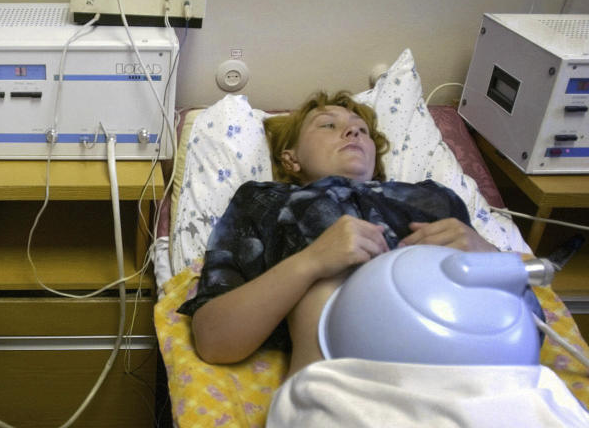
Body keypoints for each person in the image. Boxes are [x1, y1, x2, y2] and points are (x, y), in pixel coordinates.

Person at [178, 91, 499, 378]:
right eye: (327, 125)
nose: (353, 131)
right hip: (345, 397)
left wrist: (486, 255)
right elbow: (213, 340)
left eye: (362, 129)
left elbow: (529, 326)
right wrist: (312, 262)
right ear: (291, 158)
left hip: (470, 374)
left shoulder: (435, 198)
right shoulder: (264, 200)